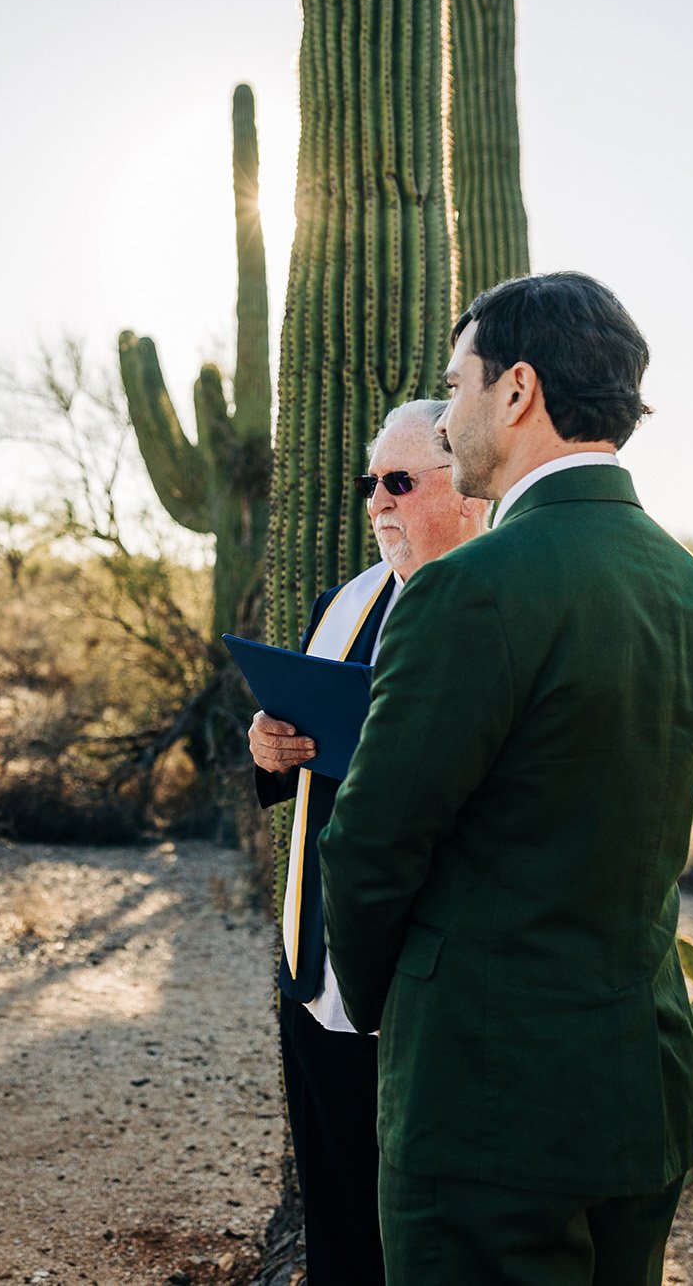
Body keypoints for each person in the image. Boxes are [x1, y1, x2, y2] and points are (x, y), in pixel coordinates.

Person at [316, 272, 693, 1286]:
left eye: (455, 382)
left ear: (514, 391)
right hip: (640, 1088)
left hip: (483, 1102)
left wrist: (392, 1013)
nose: (448, 408)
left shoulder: (466, 589)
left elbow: (369, 843)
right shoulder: (690, 589)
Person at [248, 399, 485, 1286]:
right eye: (368, 485)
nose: (379, 503)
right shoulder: (343, 602)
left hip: (434, 979)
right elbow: (303, 749)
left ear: (465, 487)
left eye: (399, 481)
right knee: (340, 1214)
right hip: (318, 967)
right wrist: (266, 748)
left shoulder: (497, 601)